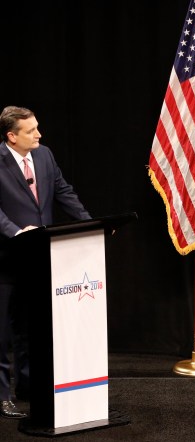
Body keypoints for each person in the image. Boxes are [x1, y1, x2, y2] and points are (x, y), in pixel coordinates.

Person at [0, 106, 91, 419]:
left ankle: (27, 386)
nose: (39, 134)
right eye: (31, 130)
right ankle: (1, 397)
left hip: (39, 257)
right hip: (6, 260)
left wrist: (88, 223)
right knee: (2, 333)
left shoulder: (44, 155)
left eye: (37, 127)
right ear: (12, 136)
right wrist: (15, 232)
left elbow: (63, 191)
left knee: (31, 327)